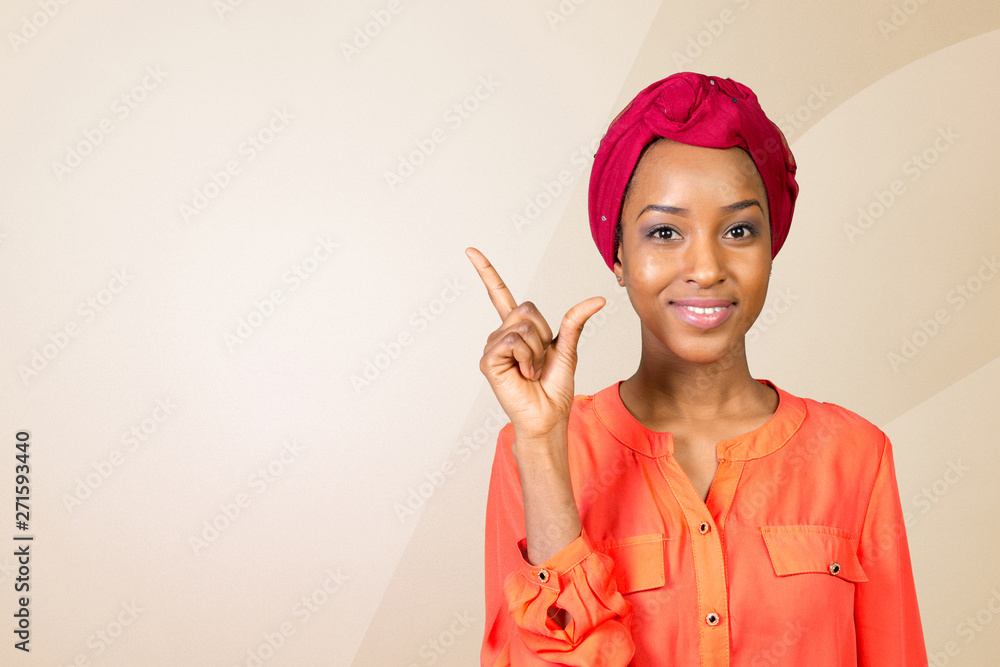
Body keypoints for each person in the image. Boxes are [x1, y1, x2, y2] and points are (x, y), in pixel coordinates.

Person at [467, 72, 927, 666]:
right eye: (665, 231)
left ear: (770, 247)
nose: (706, 267)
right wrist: (540, 445)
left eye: (738, 230)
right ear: (618, 257)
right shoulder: (533, 451)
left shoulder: (856, 456)